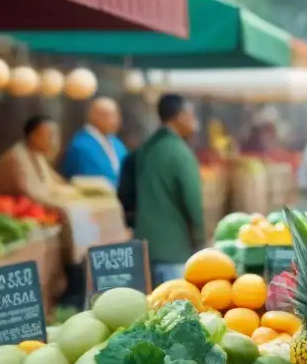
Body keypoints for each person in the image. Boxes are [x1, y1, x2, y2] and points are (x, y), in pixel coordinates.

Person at [119, 94, 204, 287]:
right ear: (180, 116)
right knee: (174, 309)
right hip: (173, 250)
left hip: (143, 247)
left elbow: (125, 191)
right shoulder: (179, 151)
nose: (194, 121)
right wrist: (199, 239)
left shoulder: (145, 149)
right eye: (191, 115)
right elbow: (192, 200)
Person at [0, 115, 74, 206]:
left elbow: (57, 181)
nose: (54, 142)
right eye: (50, 136)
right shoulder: (16, 158)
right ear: (33, 136)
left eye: (56, 136)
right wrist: (62, 208)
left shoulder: (37, 154)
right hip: (9, 211)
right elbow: (29, 197)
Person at [60, 97, 128, 185]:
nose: (115, 120)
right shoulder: (81, 146)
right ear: (94, 116)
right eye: (109, 115)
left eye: (117, 115)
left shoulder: (117, 144)